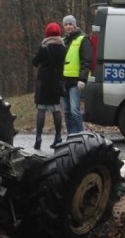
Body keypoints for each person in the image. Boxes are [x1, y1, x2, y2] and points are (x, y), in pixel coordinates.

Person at [32, 22, 66, 150]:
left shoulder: (44, 47)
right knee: (56, 109)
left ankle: (38, 137)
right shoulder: (63, 47)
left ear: (47, 33)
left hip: (43, 82)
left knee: (41, 109)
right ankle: (58, 136)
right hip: (56, 81)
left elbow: (35, 62)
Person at [61, 14, 93, 136]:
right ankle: (71, 136)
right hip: (64, 81)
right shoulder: (63, 40)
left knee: (75, 110)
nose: (68, 27)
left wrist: (82, 79)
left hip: (75, 81)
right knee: (67, 111)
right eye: (66, 24)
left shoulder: (83, 39)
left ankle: (81, 137)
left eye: (70, 24)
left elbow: (87, 60)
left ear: (75, 25)